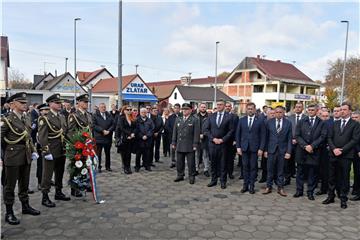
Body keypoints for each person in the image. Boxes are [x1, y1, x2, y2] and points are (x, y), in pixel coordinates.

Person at [1, 92, 40, 225]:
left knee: (24, 184)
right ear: (12, 104)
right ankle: (9, 212)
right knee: (9, 186)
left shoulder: (26, 117)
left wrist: (33, 151)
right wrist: (2, 157)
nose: (25, 105)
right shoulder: (6, 120)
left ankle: (25, 206)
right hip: (12, 156)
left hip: (26, 155)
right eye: (22, 103)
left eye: (25, 102)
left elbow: (28, 137)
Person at [323, 103, 360, 209]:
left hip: (346, 155)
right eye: (340, 109)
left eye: (344, 109)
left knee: (344, 178)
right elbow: (329, 137)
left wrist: (342, 150)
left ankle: (343, 199)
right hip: (333, 154)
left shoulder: (355, 124)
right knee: (331, 177)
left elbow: (354, 140)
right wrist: (334, 148)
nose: (342, 111)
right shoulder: (335, 123)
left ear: (349, 111)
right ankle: (331, 196)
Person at [38, 94, 71, 208]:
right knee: (47, 175)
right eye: (57, 103)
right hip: (51, 151)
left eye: (60, 103)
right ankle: (45, 197)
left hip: (61, 150)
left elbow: (64, 133)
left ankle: (58, 192)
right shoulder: (45, 118)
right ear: (50, 104)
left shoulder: (61, 116)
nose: (59, 104)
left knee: (60, 172)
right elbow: (42, 137)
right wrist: (46, 151)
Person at [293, 104, 327, 200]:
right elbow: (297, 135)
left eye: (313, 110)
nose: (311, 111)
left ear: (316, 111)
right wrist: (305, 146)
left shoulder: (321, 123)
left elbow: (322, 136)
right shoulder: (301, 121)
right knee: (300, 172)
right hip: (302, 151)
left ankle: (310, 192)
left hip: (314, 151)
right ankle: (299, 191)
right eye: (309, 110)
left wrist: (312, 146)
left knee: (312, 173)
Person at [236, 102, 265, 194]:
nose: (250, 110)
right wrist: (238, 147)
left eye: (252, 108)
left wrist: (261, 148)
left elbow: (263, 136)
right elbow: (238, 134)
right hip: (244, 148)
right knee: (244, 167)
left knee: (253, 167)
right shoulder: (242, 120)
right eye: (248, 109)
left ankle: (251, 186)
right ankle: (245, 185)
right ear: (246, 110)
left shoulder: (260, 121)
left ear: (255, 109)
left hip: (255, 148)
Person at [263, 106, 292, 197]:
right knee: (270, 169)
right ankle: (268, 186)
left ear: (283, 113)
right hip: (271, 150)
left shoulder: (288, 123)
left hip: (282, 151)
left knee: (281, 170)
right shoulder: (269, 122)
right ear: (274, 113)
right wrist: (265, 150)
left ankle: (280, 187)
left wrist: (288, 151)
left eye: (280, 112)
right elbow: (266, 138)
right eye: (277, 112)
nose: (278, 114)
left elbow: (289, 139)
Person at [205, 99, 234, 189]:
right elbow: (206, 129)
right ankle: (213, 180)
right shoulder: (211, 116)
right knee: (213, 163)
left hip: (223, 144)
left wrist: (223, 139)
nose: (219, 106)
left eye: (221, 104)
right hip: (212, 144)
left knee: (223, 164)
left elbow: (231, 130)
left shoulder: (229, 117)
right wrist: (213, 139)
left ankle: (223, 181)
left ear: (224, 106)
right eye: (217, 104)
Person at [67, 94, 93, 197]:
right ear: (79, 103)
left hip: (87, 145)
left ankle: (84, 183)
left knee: (86, 164)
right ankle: (75, 188)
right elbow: (70, 132)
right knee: (76, 166)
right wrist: (77, 143)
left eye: (87, 102)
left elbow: (90, 130)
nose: (86, 104)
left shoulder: (88, 115)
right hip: (78, 145)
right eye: (84, 102)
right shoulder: (74, 116)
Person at [172, 103, 200, 184]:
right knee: (179, 162)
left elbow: (196, 133)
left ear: (191, 110)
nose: (184, 110)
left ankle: (192, 176)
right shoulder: (178, 119)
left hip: (190, 145)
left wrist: (195, 144)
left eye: (186, 109)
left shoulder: (194, 120)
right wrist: (173, 142)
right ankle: (180, 175)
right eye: (183, 109)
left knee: (191, 162)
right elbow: (175, 132)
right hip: (180, 144)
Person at [287, 102, 306, 186]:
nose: (298, 108)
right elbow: (287, 130)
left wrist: (298, 140)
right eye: (296, 107)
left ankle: (300, 180)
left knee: (300, 163)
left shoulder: (306, 118)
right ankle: (287, 179)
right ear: (294, 108)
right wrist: (292, 139)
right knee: (288, 162)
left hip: (301, 144)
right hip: (290, 143)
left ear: (302, 108)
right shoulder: (289, 118)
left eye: (300, 107)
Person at [93, 103, 114, 172]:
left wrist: (109, 130)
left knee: (107, 153)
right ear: (99, 108)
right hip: (99, 137)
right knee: (98, 153)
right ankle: (98, 167)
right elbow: (94, 125)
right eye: (102, 107)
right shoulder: (95, 115)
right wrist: (102, 130)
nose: (103, 108)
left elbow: (113, 124)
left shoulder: (109, 115)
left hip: (108, 137)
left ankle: (108, 166)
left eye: (104, 107)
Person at [116, 105, 136, 174]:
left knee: (129, 154)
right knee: (124, 154)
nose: (129, 111)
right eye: (128, 109)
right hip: (124, 138)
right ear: (124, 110)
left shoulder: (132, 118)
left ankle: (128, 167)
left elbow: (135, 127)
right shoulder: (121, 118)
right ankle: (125, 167)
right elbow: (122, 128)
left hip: (131, 139)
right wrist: (129, 134)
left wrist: (133, 133)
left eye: (130, 109)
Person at [35, 103, 50, 190]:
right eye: (44, 110)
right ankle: (40, 181)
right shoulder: (39, 120)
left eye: (47, 110)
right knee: (40, 165)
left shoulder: (49, 119)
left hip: (49, 145)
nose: (46, 112)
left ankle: (47, 180)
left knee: (48, 165)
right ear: (40, 111)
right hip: (41, 145)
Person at [316, 110, 331, 196]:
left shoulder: (332, 125)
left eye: (326, 116)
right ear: (320, 116)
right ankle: (322, 188)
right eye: (323, 116)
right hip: (317, 149)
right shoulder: (318, 124)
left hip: (327, 150)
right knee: (319, 170)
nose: (325, 118)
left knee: (327, 170)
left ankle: (326, 188)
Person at [135, 108, 154, 172]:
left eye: (144, 112)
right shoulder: (137, 120)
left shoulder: (150, 120)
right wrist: (141, 136)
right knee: (138, 155)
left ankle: (147, 166)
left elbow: (152, 129)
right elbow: (136, 130)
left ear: (146, 113)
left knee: (147, 154)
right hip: (139, 140)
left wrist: (147, 136)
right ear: (140, 113)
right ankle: (137, 167)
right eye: (142, 112)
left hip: (147, 140)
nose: (143, 113)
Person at [225, 102, 239, 180]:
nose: (227, 107)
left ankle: (230, 173)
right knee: (222, 158)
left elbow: (237, 129)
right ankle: (222, 172)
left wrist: (235, 140)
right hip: (222, 140)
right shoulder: (221, 115)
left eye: (229, 106)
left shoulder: (235, 117)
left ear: (231, 107)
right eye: (226, 106)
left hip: (231, 141)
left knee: (230, 158)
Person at [197, 103, 210, 177]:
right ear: (199, 108)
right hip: (197, 138)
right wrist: (197, 135)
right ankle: (196, 169)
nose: (203, 108)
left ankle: (206, 169)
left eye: (204, 107)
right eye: (202, 107)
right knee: (197, 155)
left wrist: (204, 134)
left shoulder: (209, 117)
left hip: (206, 139)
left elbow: (210, 128)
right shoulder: (195, 116)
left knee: (205, 155)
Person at [350, 111, 360, 201]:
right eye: (352, 117)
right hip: (350, 152)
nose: (354, 119)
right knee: (355, 172)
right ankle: (355, 189)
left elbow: (356, 140)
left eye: (356, 117)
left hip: (358, 153)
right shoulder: (350, 126)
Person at [168, 103, 181, 168]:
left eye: (177, 108)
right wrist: (173, 133)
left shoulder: (182, 116)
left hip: (181, 137)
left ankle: (179, 162)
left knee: (180, 150)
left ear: (179, 109)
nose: (176, 109)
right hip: (172, 136)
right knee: (172, 150)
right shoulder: (170, 117)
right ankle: (173, 162)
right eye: (175, 108)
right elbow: (168, 126)